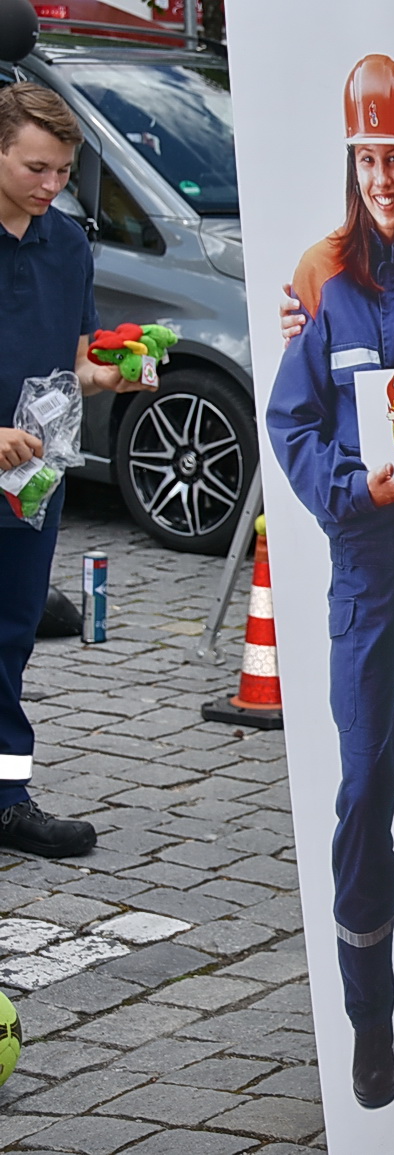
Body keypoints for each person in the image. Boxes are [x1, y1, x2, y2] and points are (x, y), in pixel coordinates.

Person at [267, 56, 394, 1108]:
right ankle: (367, 1016)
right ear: (352, 167)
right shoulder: (326, 281)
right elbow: (290, 422)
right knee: (365, 784)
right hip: (363, 561)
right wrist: (355, 489)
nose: (384, 178)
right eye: (368, 160)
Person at [0, 83, 132, 860]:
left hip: (31, 487)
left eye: (62, 171)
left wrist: (108, 375)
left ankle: (7, 801)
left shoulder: (69, 247)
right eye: (35, 168)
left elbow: (73, 365)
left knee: (12, 638)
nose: (51, 185)